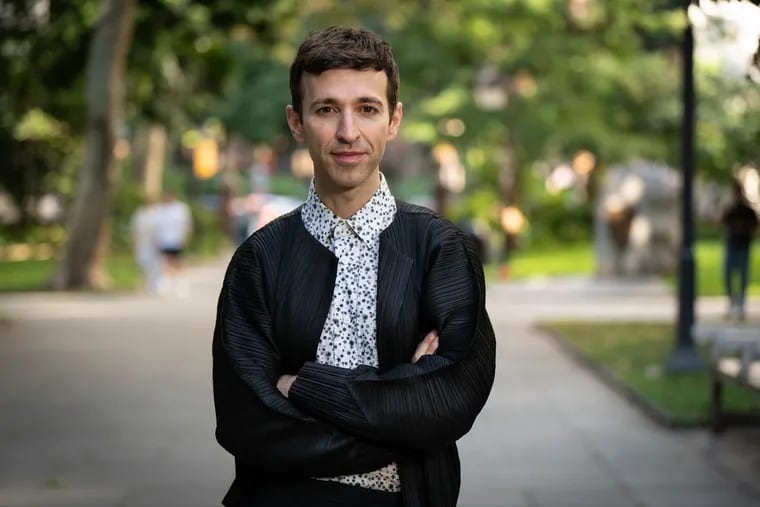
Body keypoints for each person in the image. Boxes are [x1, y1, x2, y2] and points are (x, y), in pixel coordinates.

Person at [212, 26, 496, 507]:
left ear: (394, 120)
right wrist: (401, 419)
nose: (348, 132)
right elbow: (248, 422)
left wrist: (302, 385)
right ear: (297, 122)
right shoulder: (258, 261)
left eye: (367, 109)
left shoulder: (440, 250)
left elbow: (450, 402)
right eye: (326, 110)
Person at [720, 179, 758, 320]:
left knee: (742, 276)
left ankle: (740, 305)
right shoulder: (730, 209)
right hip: (731, 245)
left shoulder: (747, 211)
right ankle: (732, 303)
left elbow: (754, 226)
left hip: (743, 246)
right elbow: (722, 222)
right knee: (728, 275)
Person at [155, 191, 192, 296]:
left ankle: (182, 283)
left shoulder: (180, 209)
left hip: (177, 240)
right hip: (164, 240)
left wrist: (184, 237)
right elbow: (158, 227)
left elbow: (186, 224)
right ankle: (167, 284)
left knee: (178, 262)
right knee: (166, 262)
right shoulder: (160, 209)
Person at [129, 195, 161, 294]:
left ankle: (155, 285)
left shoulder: (159, 213)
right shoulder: (140, 213)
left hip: (156, 243)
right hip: (143, 242)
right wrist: (135, 242)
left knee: (155, 264)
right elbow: (135, 229)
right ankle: (145, 281)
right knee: (143, 262)